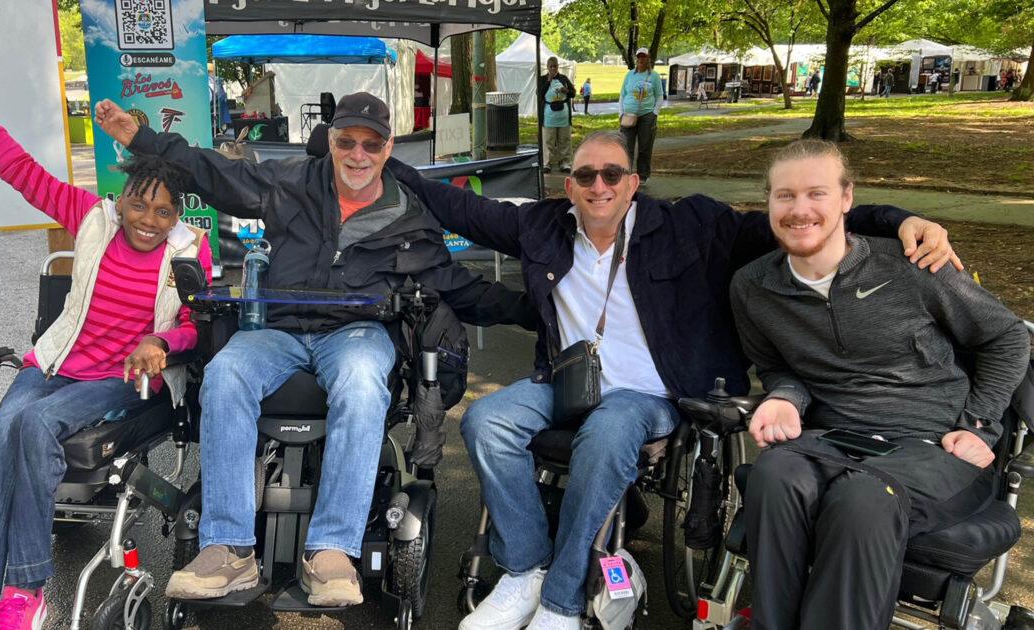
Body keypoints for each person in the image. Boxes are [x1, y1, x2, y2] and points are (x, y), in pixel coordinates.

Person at [387, 130, 961, 630]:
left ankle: (561, 599)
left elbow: (801, 217)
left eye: (612, 173)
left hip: (655, 391)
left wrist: (898, 220)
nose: (599, 186)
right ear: (570, 186)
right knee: (487, 420)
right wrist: (378, 157)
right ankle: (524, 569)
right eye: (585, 175)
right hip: (568, 381)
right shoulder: (542, 228)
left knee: (610, 431)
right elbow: (452, 206)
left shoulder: (693, 225)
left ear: (633, 182)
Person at [95, 92, 535, 607]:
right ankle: (228, 548)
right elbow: (212, 172)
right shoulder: (291, 183)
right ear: (331, 141)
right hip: (280, 329)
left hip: (356, 333)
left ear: (388, 147)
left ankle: (331, 551)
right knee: (227, 371)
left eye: (371, 144)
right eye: (346, 141)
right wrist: (141, 137)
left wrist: (538, 311)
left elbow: (458, 287)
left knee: (362, 375)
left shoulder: (410, 217)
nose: (358, 154)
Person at [0, 10, 213, 630]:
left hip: (121, 381)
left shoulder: (190, 249)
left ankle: (23, 593)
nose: (147, 220)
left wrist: (160, 338)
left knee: (32, 423)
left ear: (177, 210)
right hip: (53, 366)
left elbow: (197, 327)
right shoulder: (92, 217)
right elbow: (12, 164)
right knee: (3, 431)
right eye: (138, 203)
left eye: (162, 210)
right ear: (121, 195)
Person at [729, 139, 1029, 630]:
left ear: (847, 199)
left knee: (864, 499)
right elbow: (777, 367)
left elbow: (1007, 337)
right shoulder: (754, 287)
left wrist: (979, 424)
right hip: (834, 437)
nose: (799, 209)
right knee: (775, 473)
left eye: (816, 194)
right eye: (784, 196)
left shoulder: (911, 267)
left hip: (935, 444)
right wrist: (783, 397)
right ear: (768, 202)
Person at [618, 47, 664, 182]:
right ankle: (625, 175)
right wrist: (621, 113)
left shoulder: (654, 76)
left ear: (648, 58)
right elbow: (622, 95)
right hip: (628, 115)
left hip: (646, 116)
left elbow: (660, 96)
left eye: (643, 57)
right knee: (627, 147)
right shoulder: (630, 75)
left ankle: (643, 176)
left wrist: (654, 113)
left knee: (645, 147)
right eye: (639, 57)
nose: (641, 60)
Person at [538, 56, 576, 174]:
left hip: (563, 116)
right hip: (549, 116)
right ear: (547, 67)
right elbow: (539, 94)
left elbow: (573, 93)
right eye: (551, 66)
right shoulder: (543, 79)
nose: (553, 68)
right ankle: (547, 163)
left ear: (558, 67)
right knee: (548, 140)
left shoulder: (563, 78)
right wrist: (548, 80)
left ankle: (565, 163)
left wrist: (567, 91)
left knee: (564, 140)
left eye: (555, 66)